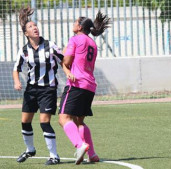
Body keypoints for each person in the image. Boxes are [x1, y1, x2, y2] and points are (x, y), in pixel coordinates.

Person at [12, 6, 64, 165]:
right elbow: (16, 68)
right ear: (26, 33)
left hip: (48, 89)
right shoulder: (24, 51)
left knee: (44, 122)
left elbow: (63, 61)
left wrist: (68, 72)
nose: (34, 28)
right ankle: (30, 149)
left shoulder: (50, 45)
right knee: (25, 121)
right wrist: (17, 81)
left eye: (35, 25)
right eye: (30, 26)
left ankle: (54, 155)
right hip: (31, 90)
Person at [58, 11, 110, 165]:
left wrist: (65, 66)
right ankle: (92, 154)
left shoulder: (75, 39)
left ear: (80, 26)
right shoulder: (92, 43)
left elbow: (66, 61)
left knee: (63, 119)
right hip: (89, 86)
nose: (73, 24)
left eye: (75, 22)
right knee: (79, 121)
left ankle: (80, 145)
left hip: (76, 84)